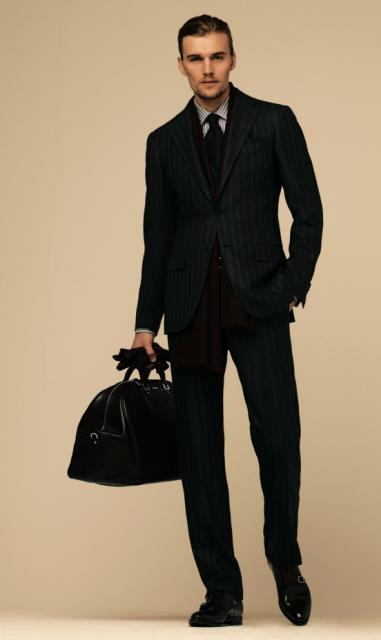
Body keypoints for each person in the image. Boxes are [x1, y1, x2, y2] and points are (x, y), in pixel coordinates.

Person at [131, 14, 323, 627]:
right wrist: (145, 323)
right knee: (200, 453)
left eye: (216, 56)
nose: (207, 69)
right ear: (181, 65)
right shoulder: (163, 142)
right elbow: (157, 239)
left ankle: (285, 564)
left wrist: (290, 286)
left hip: (260, 299)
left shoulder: (274, 121)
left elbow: (309, 213)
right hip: (190, 308)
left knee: (279, 439)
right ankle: (222, 590)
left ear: (233, 59)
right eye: (195, 58)